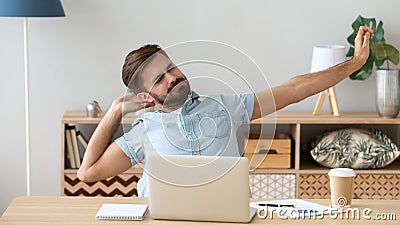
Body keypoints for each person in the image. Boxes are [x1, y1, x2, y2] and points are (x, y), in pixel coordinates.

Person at [77, 26, 374, 197]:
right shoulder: (143, 130)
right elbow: (87, 173)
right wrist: (115, 110)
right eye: (159, 78)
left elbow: (295, 89)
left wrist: (355, 63)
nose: (171, 78)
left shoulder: (225, 107)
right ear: (144, 95)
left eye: (170, 68)